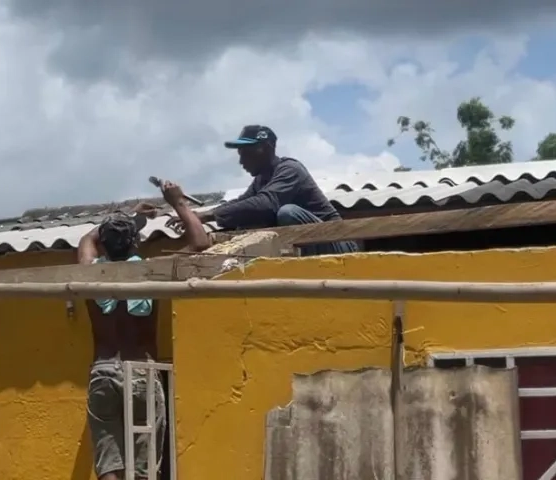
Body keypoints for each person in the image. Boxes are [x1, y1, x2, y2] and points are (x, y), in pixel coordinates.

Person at [78, 180, 209, 480]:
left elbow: (88, 237)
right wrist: (176, 201)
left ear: (105, 245)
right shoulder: (153, 273)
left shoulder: (88, 274)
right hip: (142, 372)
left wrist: (125, 220)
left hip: (104, 370)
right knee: (144, 465)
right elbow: (201, 243)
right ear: (135, 243)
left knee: (108, 462)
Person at [169, 124, 359, 256]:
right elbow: (242, 203)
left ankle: (308, 265)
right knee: (245, 220)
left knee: (287, 213)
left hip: (340, 244)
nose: (241, 161)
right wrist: (196, 215)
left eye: (245, 154)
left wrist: (206, 216)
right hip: (321, 243)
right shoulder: (262, 180)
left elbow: (266, 203)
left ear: (263, 150)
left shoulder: (290, 169)